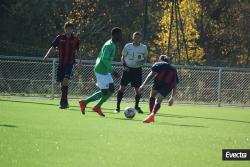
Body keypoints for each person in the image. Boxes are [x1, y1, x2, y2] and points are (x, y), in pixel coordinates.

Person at [79, 27, 122, 117]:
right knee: (105, 92)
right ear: (114, 35)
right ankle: (89, 104)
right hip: (101, 71)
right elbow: (104, 59)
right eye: (119, 35)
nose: (120, 36)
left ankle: (90, 104)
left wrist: (111, 70)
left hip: (105, 71)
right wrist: (113, 71)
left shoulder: (112, 44)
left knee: (110, 90)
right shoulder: (109, 45)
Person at [43, 21, 80, 109]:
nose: (69, 30)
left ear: (72, 30)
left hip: (70, 64)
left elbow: (78, 51)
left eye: (70, 29)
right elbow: (52, 47)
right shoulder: (59, 38)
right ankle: (64, 100)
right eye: (67, 28)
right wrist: (46, 55)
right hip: (61, 63)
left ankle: (63, 101)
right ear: (65, 29)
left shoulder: (75, 39)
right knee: (62, 83)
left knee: (66, 80)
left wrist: (80, 61)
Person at [115, 32, 148, 114]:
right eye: (135, 37)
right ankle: (117, 107)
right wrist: (124, 66)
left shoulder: (143, 47)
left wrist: (142, 62)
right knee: (122, 88)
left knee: (138, 90)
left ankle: (136, 107)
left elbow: (145, 58)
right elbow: (122, 57)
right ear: (132, 38)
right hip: (127, 70)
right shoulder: (128, 46)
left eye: (138, 38)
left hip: (137, 70)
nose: (137, 39)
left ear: (140, 39)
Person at [139, 55, 179, 123]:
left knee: (154, 98)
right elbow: (174, 84)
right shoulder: (173, 69)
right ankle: (152, 115)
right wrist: (172, 97)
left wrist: (143, 85)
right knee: (157, 99)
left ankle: (151, 115)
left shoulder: (158, 64)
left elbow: (151, 75)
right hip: (166, 85)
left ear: (160, 60)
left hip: (161, 84)